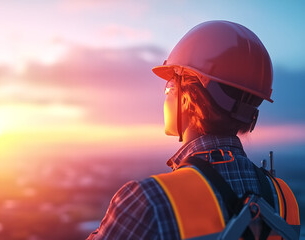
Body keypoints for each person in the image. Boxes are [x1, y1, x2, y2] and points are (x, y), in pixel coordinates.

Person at [87, 20, 300, 240]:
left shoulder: (149, 201)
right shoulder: (283, 197)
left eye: (170, 87)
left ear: (189, 97)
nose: (166, 96)